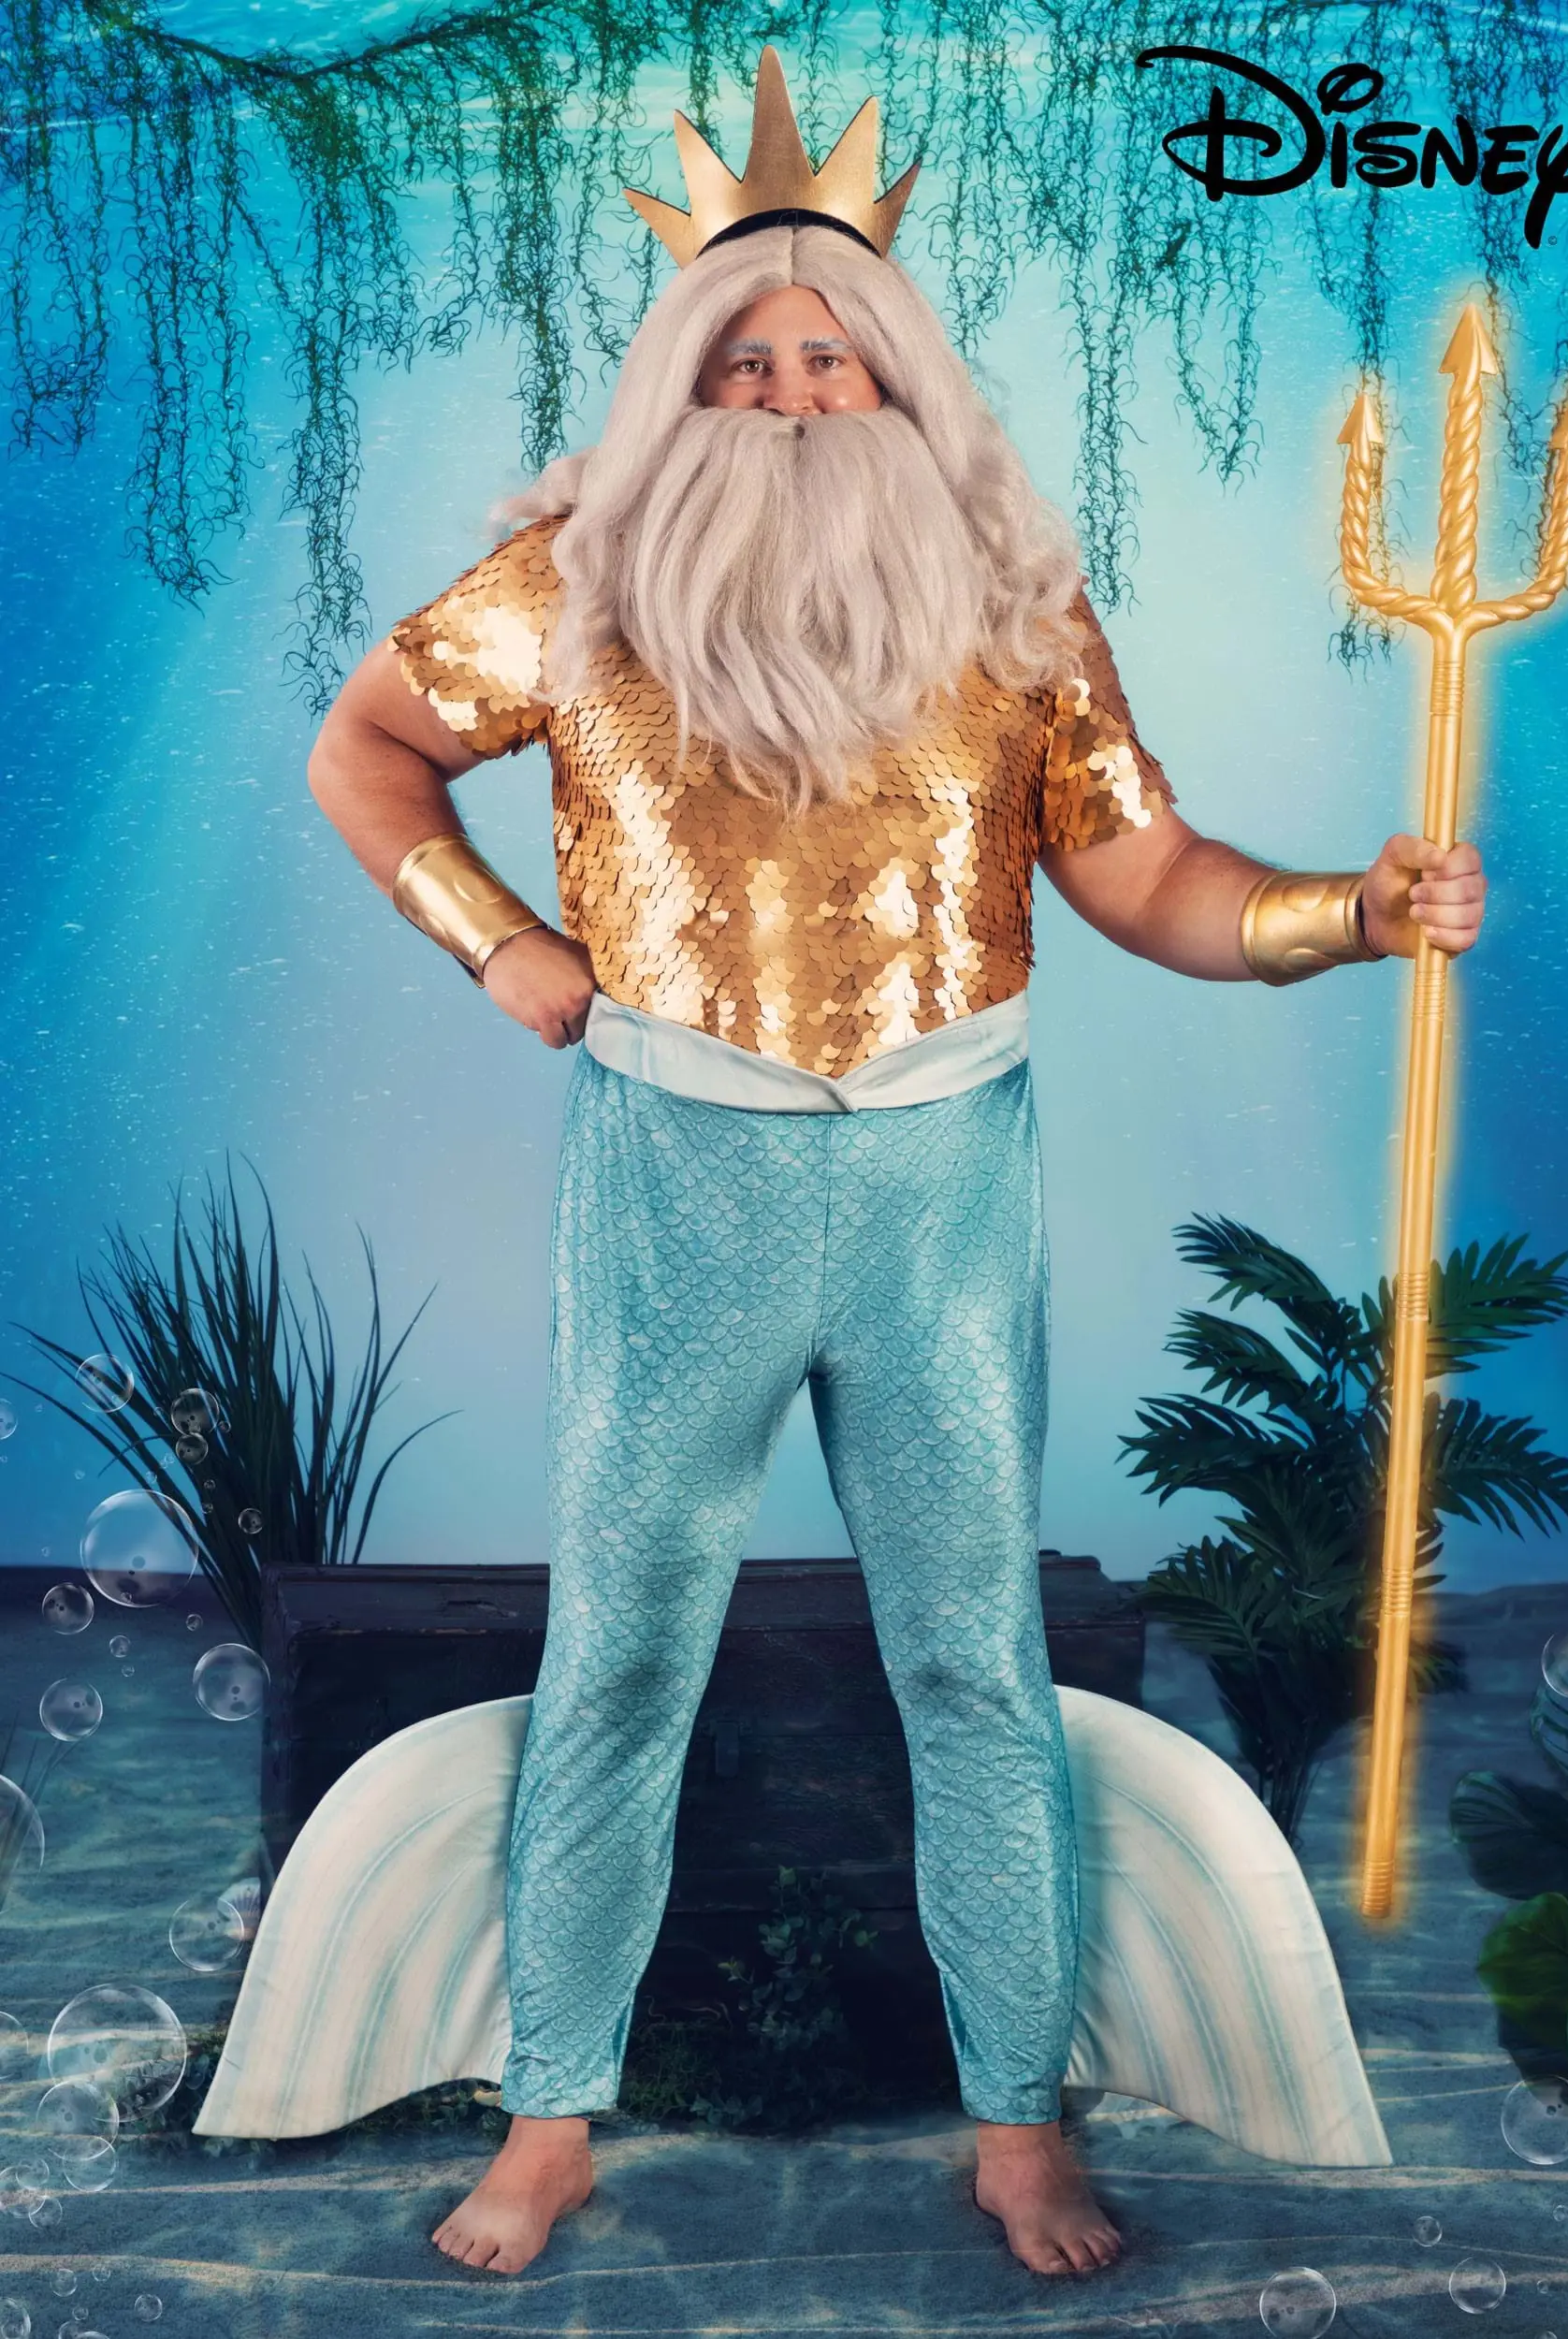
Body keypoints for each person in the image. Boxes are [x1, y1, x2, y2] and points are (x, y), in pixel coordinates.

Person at [304, 50, 1487, 2281]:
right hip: (677, 1170)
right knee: (620, 1655)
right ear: (681, 381)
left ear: (897, 373)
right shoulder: (578, 582)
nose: (787, 393)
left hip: (944, 1174)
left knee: (971, 1662)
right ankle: (552, 2116)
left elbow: (1142, 876)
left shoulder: (1012, 605)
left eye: (826, 354)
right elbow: (363, 747)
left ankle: (1015, 2125)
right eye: (742, 360)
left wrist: (1345, 909)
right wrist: (500, 944)